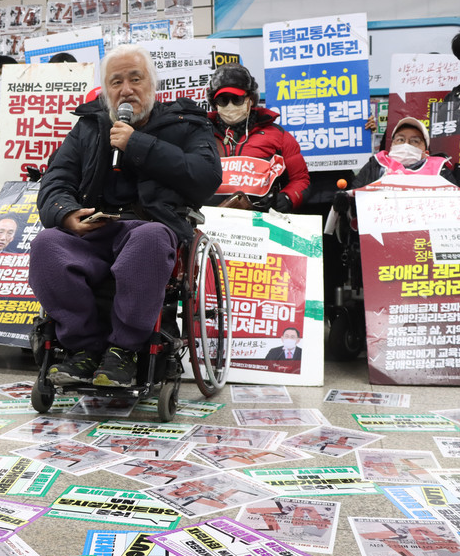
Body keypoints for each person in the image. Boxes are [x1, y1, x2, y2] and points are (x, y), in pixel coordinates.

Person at [30, 44, 222, 388]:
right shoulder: (89, 127)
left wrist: (137, 144)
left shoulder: (187, 123)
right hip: (96, 228)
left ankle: (124, 351)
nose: (126, 89)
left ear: (153, 84)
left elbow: (206, 178)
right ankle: (83, 348)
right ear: (106, 91)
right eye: (116, 82)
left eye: (136, 79)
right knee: (47, 244)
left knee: (148, 238)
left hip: (153, 227)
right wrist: (67, 214)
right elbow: (56, 180)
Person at [206, 63, 309, 212]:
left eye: (237, 99)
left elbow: (300, 179)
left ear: (251, 99)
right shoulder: (201, 135)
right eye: (223, 100)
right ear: (215, 104)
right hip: (209, 221)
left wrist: (287, 197)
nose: (230, 105)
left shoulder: (278, 136)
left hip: (260, 220)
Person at [349, 117, 455, 189]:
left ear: (425, 152)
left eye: (414, 141)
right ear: (392, 146)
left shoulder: (440, 170)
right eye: (400, 140)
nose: (406, 145)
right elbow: (356, 196)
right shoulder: (376, 165)